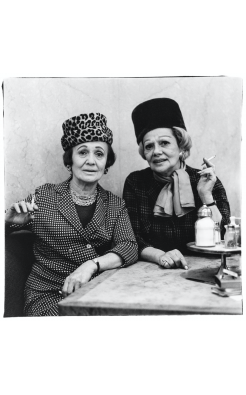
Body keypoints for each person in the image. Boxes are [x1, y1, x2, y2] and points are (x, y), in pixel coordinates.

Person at [5, 112, 138, 316]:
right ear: (70, 160)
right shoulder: (44, 197)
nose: (91, 161)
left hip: (96, 292)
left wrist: (91, 266)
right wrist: (7, 222)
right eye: (83, 152)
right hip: (47, 294)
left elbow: (129, 247)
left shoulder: (115, 205)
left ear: (106, 163)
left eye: (99, 154)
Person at [123, 98, 230, 270]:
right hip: (152, 269)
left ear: (181, 147)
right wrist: (160, 256)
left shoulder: (207, 181)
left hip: (203, 269)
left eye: (164, 143)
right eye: (149, 146)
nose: (156, 151)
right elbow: (131, 238)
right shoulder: (136, 183)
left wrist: (205, 195)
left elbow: (225, 237)